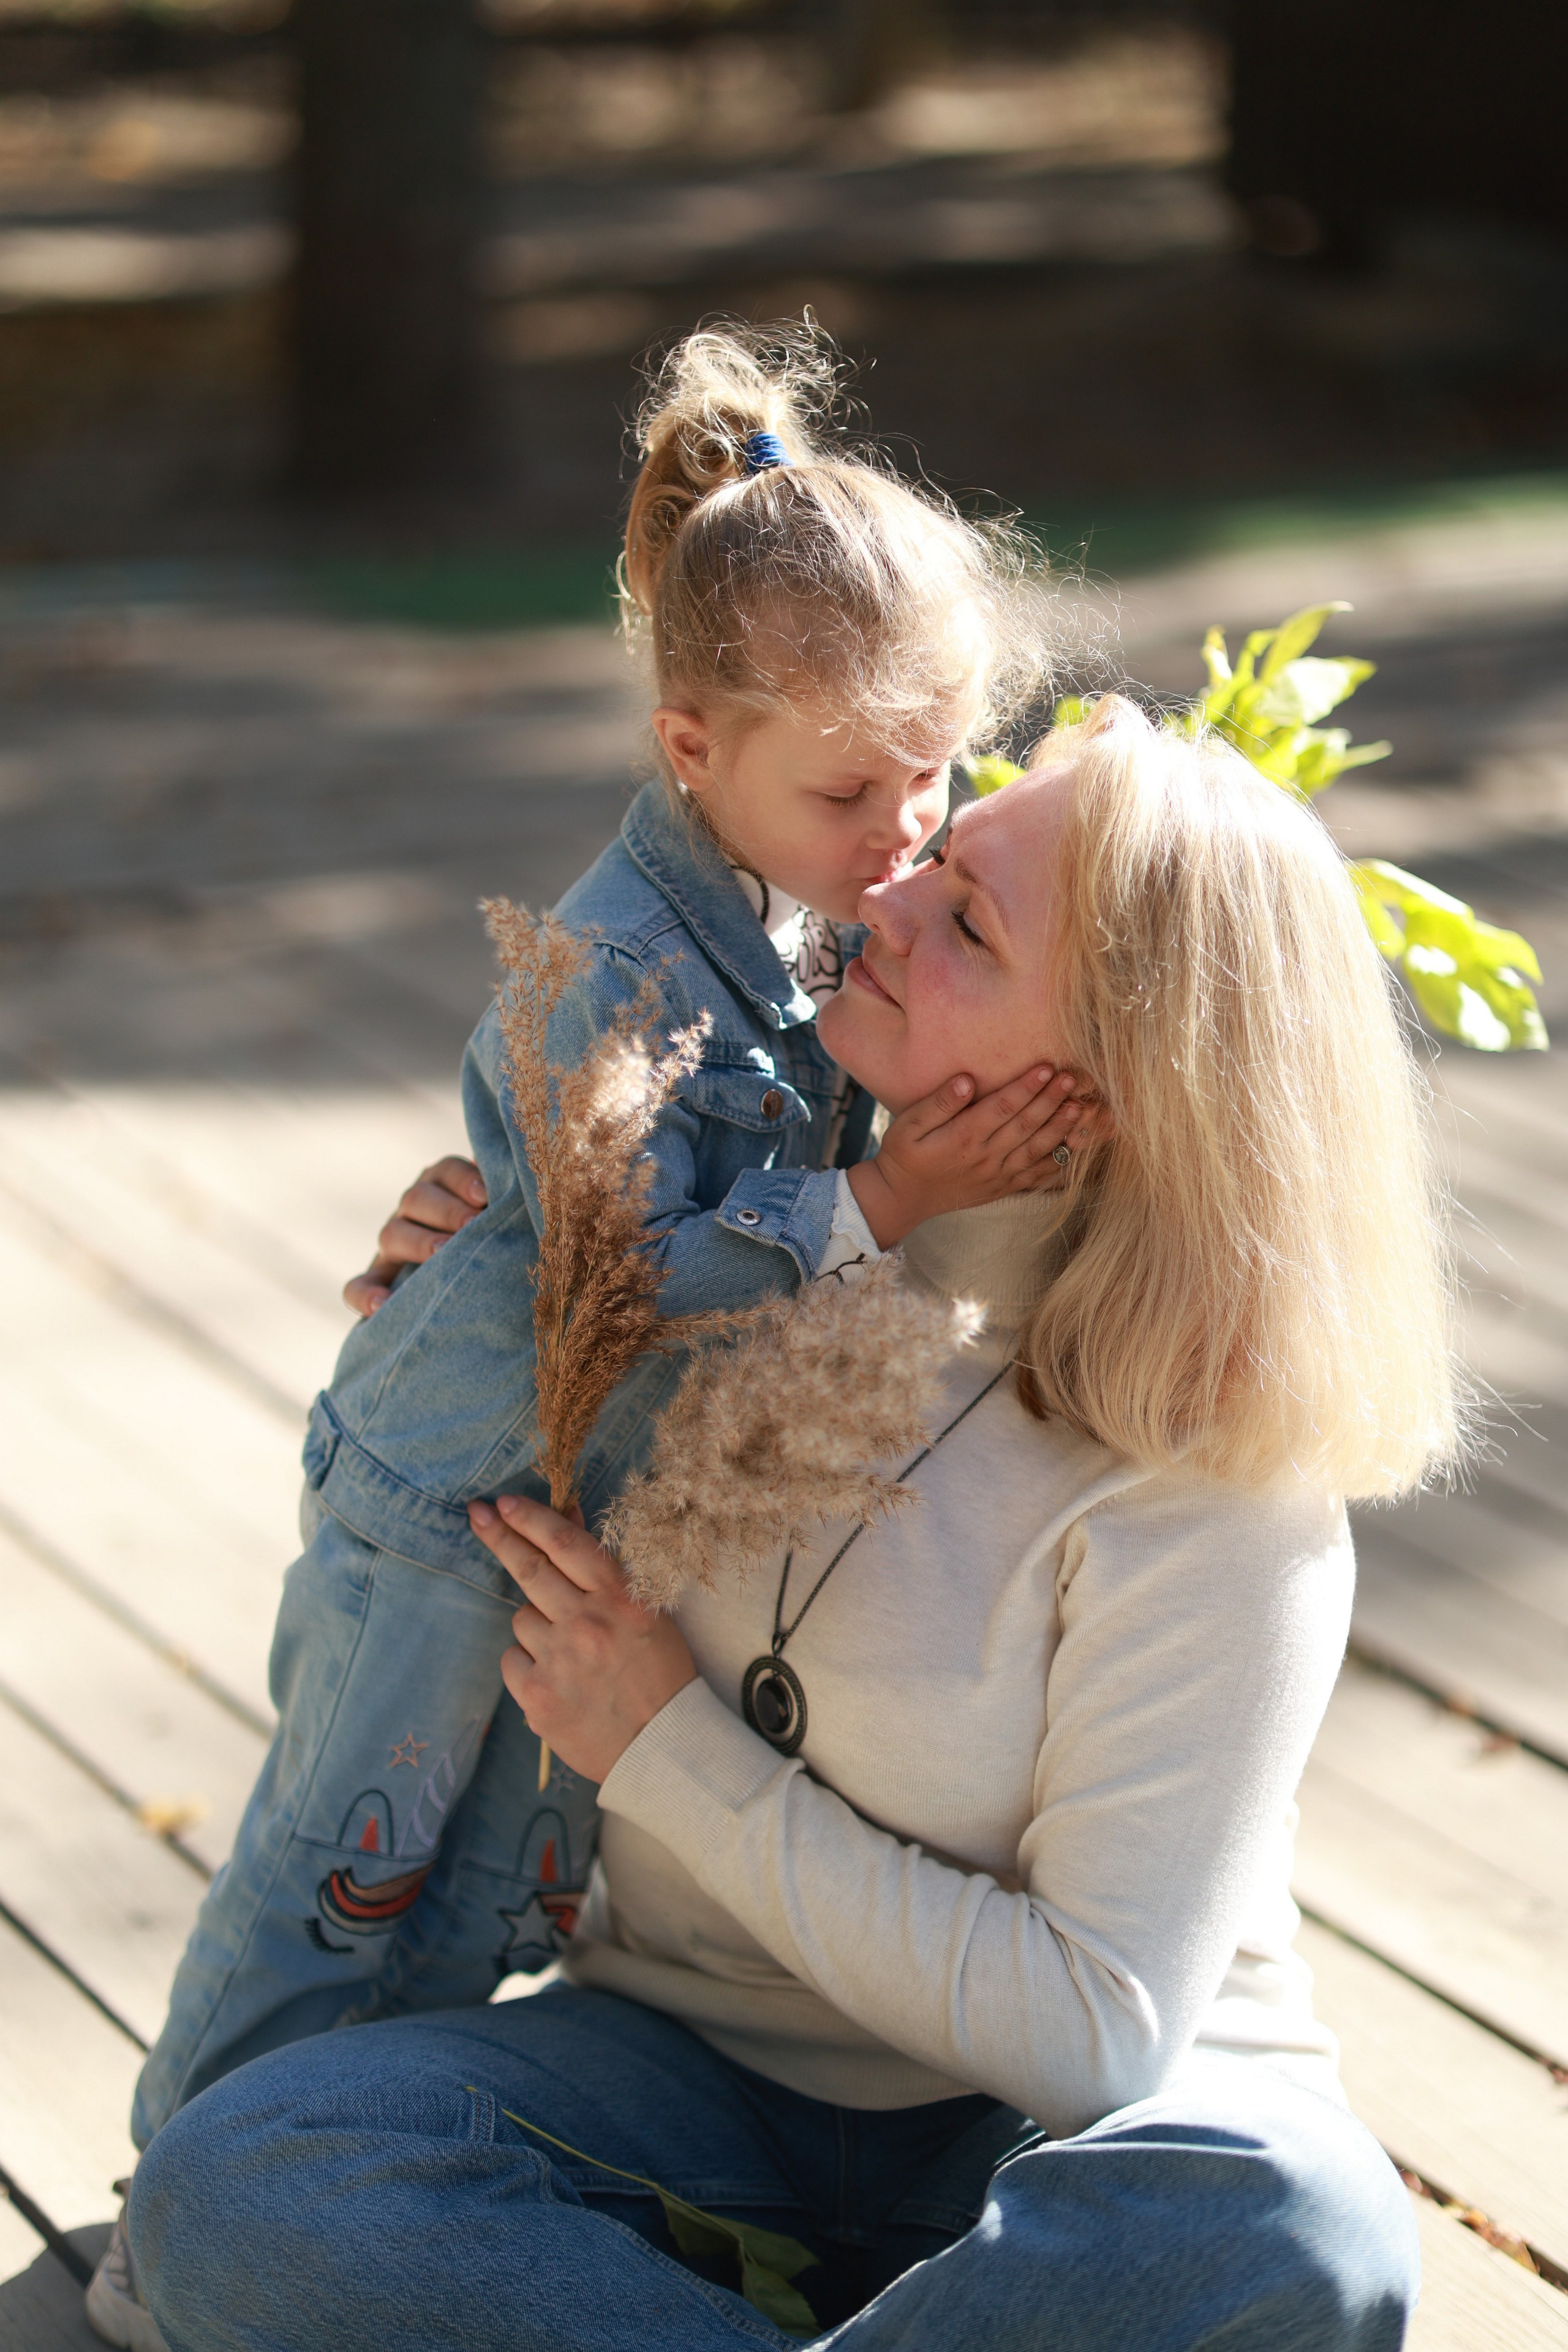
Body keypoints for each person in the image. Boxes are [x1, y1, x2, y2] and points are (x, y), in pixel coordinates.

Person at [124, 696, 1457, 2350]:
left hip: (1061, 2153)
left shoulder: (1216, 1475)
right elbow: (427, 1503)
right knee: (240, 2176)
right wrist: (472, 1302)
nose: (882, 897)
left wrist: (665, 1746)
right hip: (681, 2082)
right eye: (935, 860)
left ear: (1115, 1085)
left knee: (1300, 2228)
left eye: (967, 922)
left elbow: (1094, 2034)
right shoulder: (742, 1254)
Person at [88, 323, 1098, 2349]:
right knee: (345, 1861)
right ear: (690, 748)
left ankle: (345, 2174)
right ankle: (179, 2210)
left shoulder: (810, 897)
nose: (905, 831)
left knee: (498, 1877)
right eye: (854, 788)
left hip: (583, 1501)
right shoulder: (619, 969)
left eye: (934, 776)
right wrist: (887, 1200)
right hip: (446, 1498)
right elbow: (617, 1291)